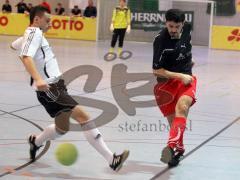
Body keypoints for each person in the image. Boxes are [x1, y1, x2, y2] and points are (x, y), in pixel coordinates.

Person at [11, 5, 129, 171]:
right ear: (37, 20)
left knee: (62, 128)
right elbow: (25, 56)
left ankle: (36, 141)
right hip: (50, 88)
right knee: (84, 117)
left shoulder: (31, 33)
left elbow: (13, 46)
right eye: (47, 20)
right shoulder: (34, 33)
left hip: (57, 86)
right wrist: (38, 79)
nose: (50, 24)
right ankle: (112, 160)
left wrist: (26, 33)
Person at [152, 9, 196, 167]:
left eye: (177, 26)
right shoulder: (160, 40)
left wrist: (188, 59)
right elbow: (156, 70)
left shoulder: (188, 29)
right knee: (174, 123)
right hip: (165, 83)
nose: (173, 30)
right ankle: (179, 148)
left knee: (182, 107)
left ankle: (170, 147)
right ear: (166, 23)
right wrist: (179, 75)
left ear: (183, 24)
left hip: (186, 78)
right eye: (170, 26)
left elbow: (186, 44)